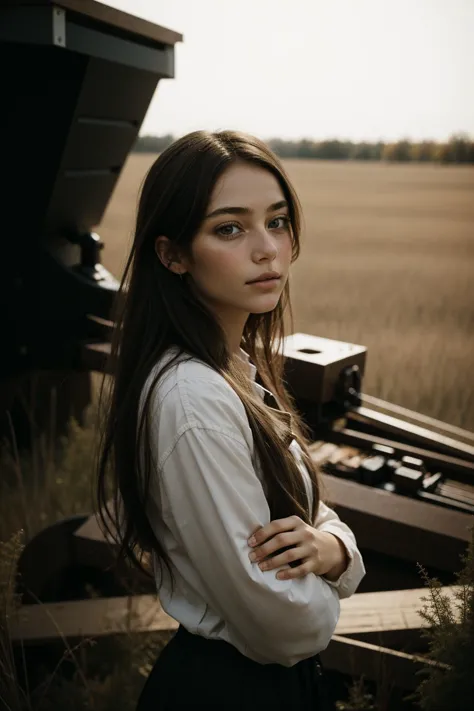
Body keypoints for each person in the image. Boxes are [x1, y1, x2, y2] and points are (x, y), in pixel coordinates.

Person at [96, 130, 365, 710]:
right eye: (229, 228)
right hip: (228, 690)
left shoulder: (233, 371)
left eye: (277, 221)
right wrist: (330, 595)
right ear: (171, 254)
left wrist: (331, 551)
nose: (267, 248)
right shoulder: (193, 398)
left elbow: (315, 519)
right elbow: (283, 624)